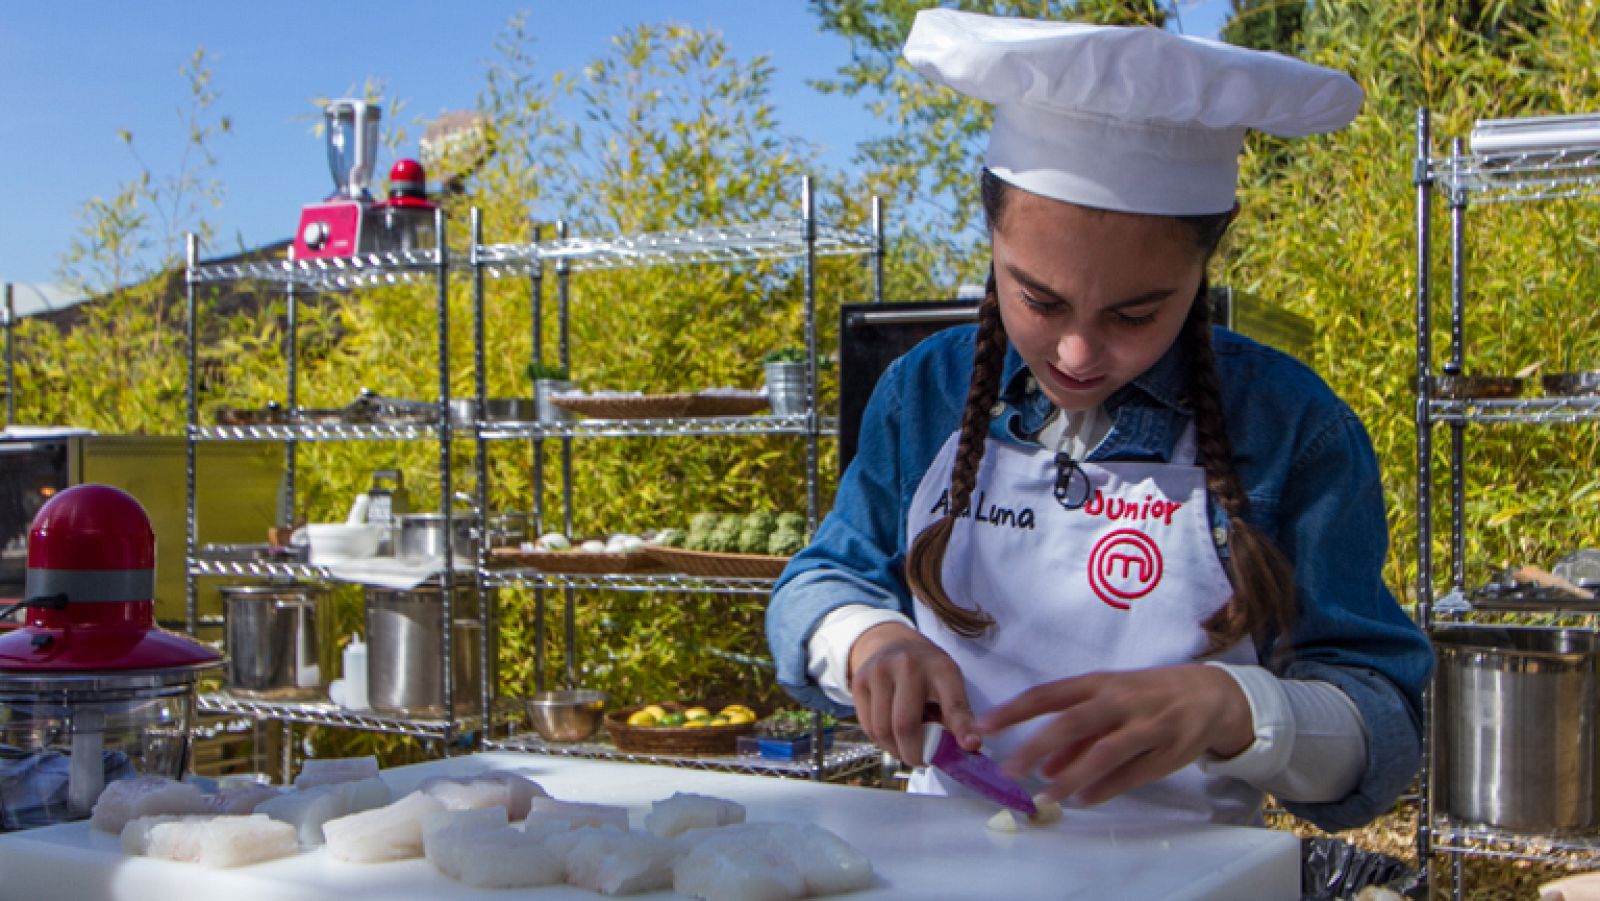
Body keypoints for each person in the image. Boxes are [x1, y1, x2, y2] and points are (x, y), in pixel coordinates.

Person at [766, 9, 1433, 832]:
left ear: (1205, 262)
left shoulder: (1290, 427)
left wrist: (1236, 708)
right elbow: (819, 582)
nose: (1077, 353)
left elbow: (1386, 726)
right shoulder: (925, 393)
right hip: (945, 866)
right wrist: (869, 641)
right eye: (1038, 299)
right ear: (991, 241)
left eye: (1135, 314)